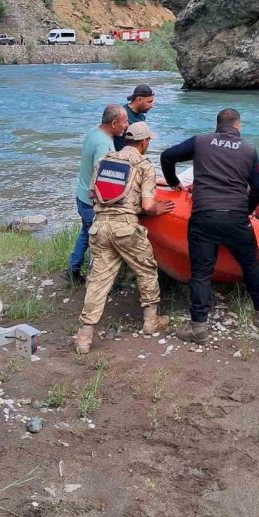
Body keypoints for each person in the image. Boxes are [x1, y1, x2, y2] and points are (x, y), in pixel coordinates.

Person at [161, 108, 259, 344]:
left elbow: (167, 156)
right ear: (238, 127)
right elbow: (258, 187)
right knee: (251, 264)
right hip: (236, 216)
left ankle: (199, 327)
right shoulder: (249, 149)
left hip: (204, 215)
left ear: (217, 125)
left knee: (201, 272)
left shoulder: (200, 141)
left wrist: (174, 182)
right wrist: (247, 210)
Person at [74, 122, 175, 353]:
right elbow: (148, 206)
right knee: (146, 270)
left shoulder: (105, 160)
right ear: (144, 142)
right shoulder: (144, 165)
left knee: (98, 281)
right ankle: (151, 322)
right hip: (126, 229)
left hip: (100, 228)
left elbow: (93, 193)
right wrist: (158, 209)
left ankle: (84, 337)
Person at [68, 104, 129, 286]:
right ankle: (98, 282)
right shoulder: (103, 144)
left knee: (86, 233)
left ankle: (73, 269)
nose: (127, 126)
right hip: (91, 202)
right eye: (125, 122)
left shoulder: (93, 132)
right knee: (100, 243)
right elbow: (100, 178)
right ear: (114, 123)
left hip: (82, 195)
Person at [113, 84, 155, 151]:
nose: (152, 106)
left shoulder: (142, 117)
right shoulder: (122, 114)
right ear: (139, 100)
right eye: (149, 102)